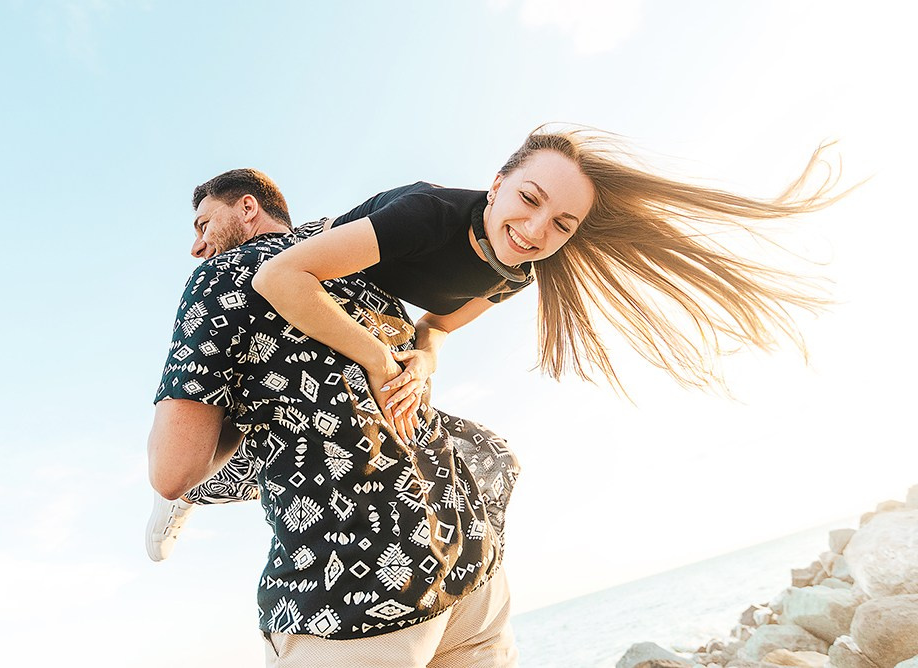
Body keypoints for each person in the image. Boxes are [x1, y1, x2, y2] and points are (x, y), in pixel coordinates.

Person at [151, 125, 846, 562]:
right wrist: (377, 355)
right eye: (530, 199)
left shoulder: (522, 267)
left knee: (444, 441)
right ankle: (182, 492)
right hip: (325, 274)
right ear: (498, 184)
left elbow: (438, 327)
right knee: (303, 391)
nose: (539, 228)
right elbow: (282, 273)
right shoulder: (426, 214)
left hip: (365, 310)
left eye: (562, 222)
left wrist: (419, 361)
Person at [148, 170, 519, 666]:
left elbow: (172, 469)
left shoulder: (223, 275)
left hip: (352, 598)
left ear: (247, 207)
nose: (198, 245)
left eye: (203, 224)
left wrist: (232, 412)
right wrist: (425, 352)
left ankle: (204, 488)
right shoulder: (359, 257)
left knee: (202, 465)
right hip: (469, 567)